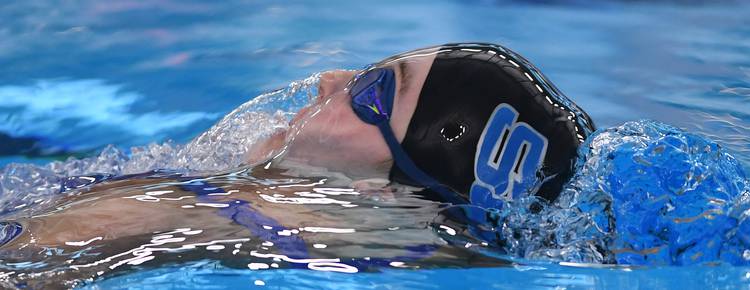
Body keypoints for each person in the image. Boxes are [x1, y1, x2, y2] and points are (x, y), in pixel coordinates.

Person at [0, 43, 594, 285]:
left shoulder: (233, 214)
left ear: (388, 193)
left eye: (371, 93)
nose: (333, 79)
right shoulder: (407, 246)